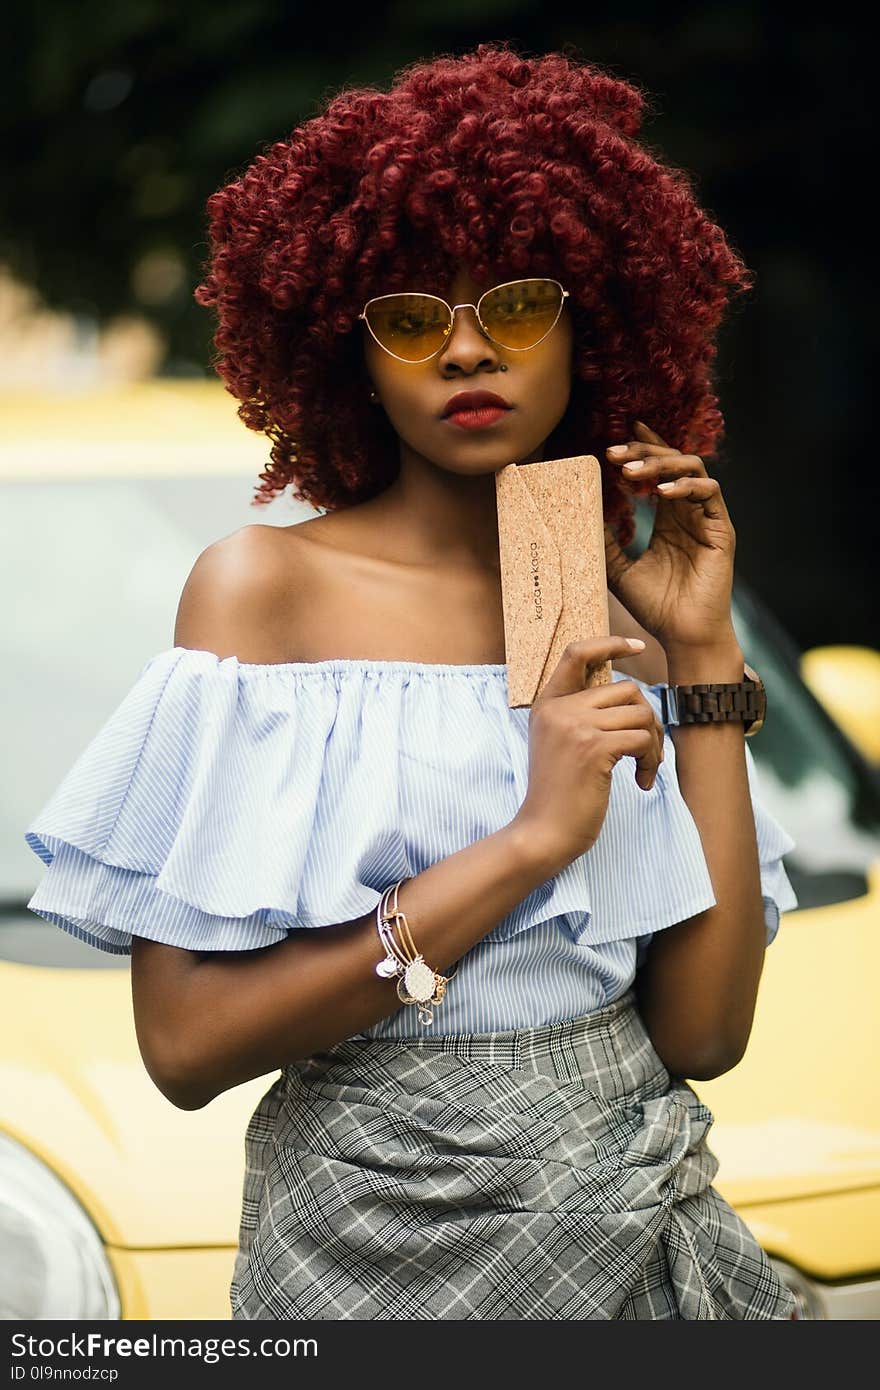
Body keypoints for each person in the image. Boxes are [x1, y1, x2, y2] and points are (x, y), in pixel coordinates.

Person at [24, 43, 800, 1320]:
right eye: (407, 318)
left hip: (636, 1248)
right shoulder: (264, 592)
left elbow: (703, 1037)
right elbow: (184, 1048)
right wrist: (528, 842)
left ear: (589, 326)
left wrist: (705, 661)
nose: (463, 351)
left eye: (515, 305)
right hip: (367, 1255)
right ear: (351, 353)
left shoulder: (601, 606)